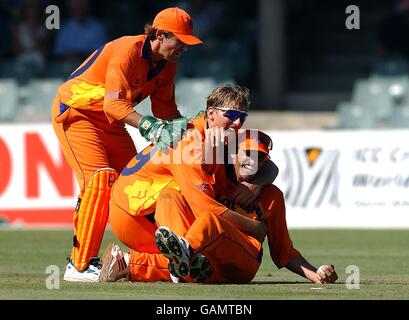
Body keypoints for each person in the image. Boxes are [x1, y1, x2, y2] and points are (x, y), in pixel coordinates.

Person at [52, 7, 203, 282]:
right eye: (179, 41)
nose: (184, 48)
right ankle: (80, 265)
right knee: (99, 180)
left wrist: (193, 128)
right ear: (159, 34)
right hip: (76, 112)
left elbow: (165, 112)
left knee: (134, 184)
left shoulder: (168, 65)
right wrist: (149, 126)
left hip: (111, 122)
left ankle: (172, 256)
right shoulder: (127, 50)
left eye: (187, 43)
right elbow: (113, 103)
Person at [100, 129, 338, 284]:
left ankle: (180, 257)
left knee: (208, 218)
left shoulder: (271, 196)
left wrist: (316, 275)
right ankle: (131, 265)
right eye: (247, 153)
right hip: (207, 253)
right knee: (170, 197)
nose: (251, 161)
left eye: (260, 157)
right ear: (233, 153)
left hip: (242, 262)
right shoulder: (216, 175)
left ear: (266, 161)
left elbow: (284, 253)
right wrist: (256, 226)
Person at [99, 85, 278, 282]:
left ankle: (125, 263)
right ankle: (130, 264)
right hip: (135, 214)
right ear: (211, 113)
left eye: (242, 117)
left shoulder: (216, 132)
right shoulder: (189, 143)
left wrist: (257, 183)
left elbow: (268, 165)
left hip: (145, 205)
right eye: (232, 114)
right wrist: (254, 228)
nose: (237, 122)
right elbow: (205, 209)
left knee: (194, 257)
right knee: (197, 263)